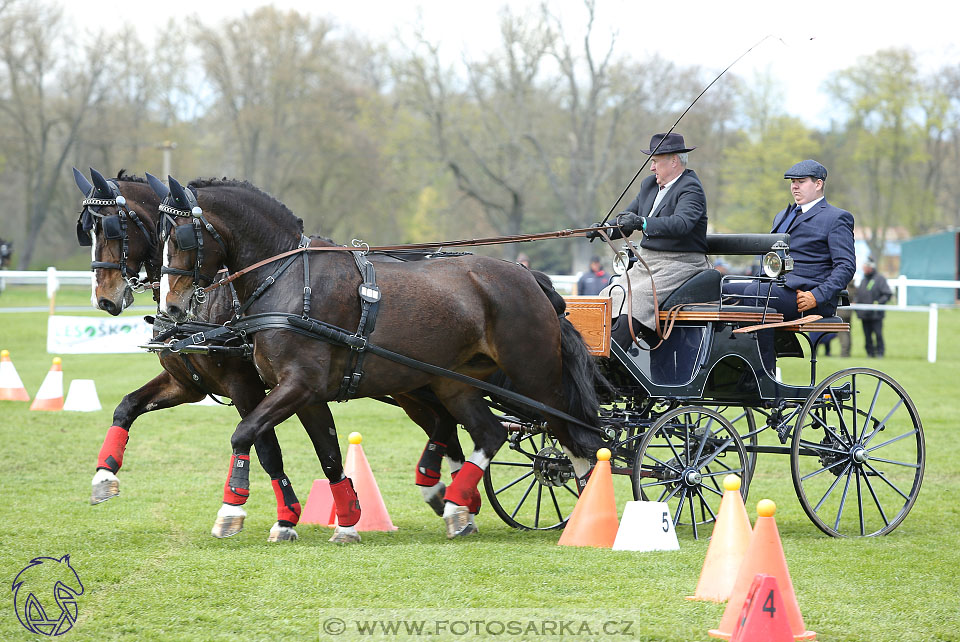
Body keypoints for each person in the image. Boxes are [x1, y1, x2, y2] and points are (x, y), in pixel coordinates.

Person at [588, 132, 710, 344]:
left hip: (681, 263)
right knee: (609, 295)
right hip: (647, 263)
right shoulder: (649, 186)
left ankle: (609, 356)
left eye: (655, 161)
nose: (652, 167)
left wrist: (642, 222)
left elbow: (681, 224)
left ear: (674, 161)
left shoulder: (691, 188)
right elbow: (627, 219)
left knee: (636, 301)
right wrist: (605, 229)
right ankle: (592, 349)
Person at [724, 160, 856, 321]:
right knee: (724, 290)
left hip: (807, 294)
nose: (795, 186)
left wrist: (817, 295)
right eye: (793, 182)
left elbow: (846, 266)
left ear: (818, 184)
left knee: (754, 293)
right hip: (774, 285)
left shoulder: (836, 218)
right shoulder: (782, 216)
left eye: (801, 181)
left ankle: (760, 339)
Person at [855, 258, 892, 357]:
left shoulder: (880, 279)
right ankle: (870, 353)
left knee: (878, 334)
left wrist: (878, 303)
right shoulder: (864, 280)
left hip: (876, 314)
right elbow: (859, 295)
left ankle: (880, 353)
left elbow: (887, 294)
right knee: (867, 335)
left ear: (870, 268)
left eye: (865, 268)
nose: (864, 270)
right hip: (864, 314)